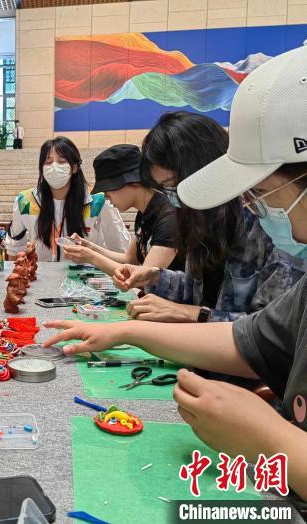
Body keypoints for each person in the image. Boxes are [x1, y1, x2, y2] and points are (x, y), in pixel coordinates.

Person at [42, 45, 307, 501]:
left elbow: (233, 325)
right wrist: (126, 332)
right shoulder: (213, 226)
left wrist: (274, 439)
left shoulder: (265, 235)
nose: (257, 206)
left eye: (263, 193)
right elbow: (250, 338)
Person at [114, 111, 306, 323]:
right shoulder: (201, 219)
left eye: (173, 183)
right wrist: (156, 276)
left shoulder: (267, 222)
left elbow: (272, 330)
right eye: (165, 188)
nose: (173, 195)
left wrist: (194, 314)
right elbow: (201, 289)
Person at [63, 144, 183, 275]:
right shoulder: (144, 213)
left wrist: (91, 257)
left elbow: (144, 277)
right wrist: (89, 247)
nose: (106, 196)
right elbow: (129, 259)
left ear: (133, 182)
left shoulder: (169, 218)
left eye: (108, 189)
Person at [6, 136, 130, 261]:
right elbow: (14, 248)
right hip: (42, 276)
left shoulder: (98, 200)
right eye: (48, 162)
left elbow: (120, 247)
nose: (54, 167)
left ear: (74, 167)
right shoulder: (25, 201)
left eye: (61, 161)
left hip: (86, 275)